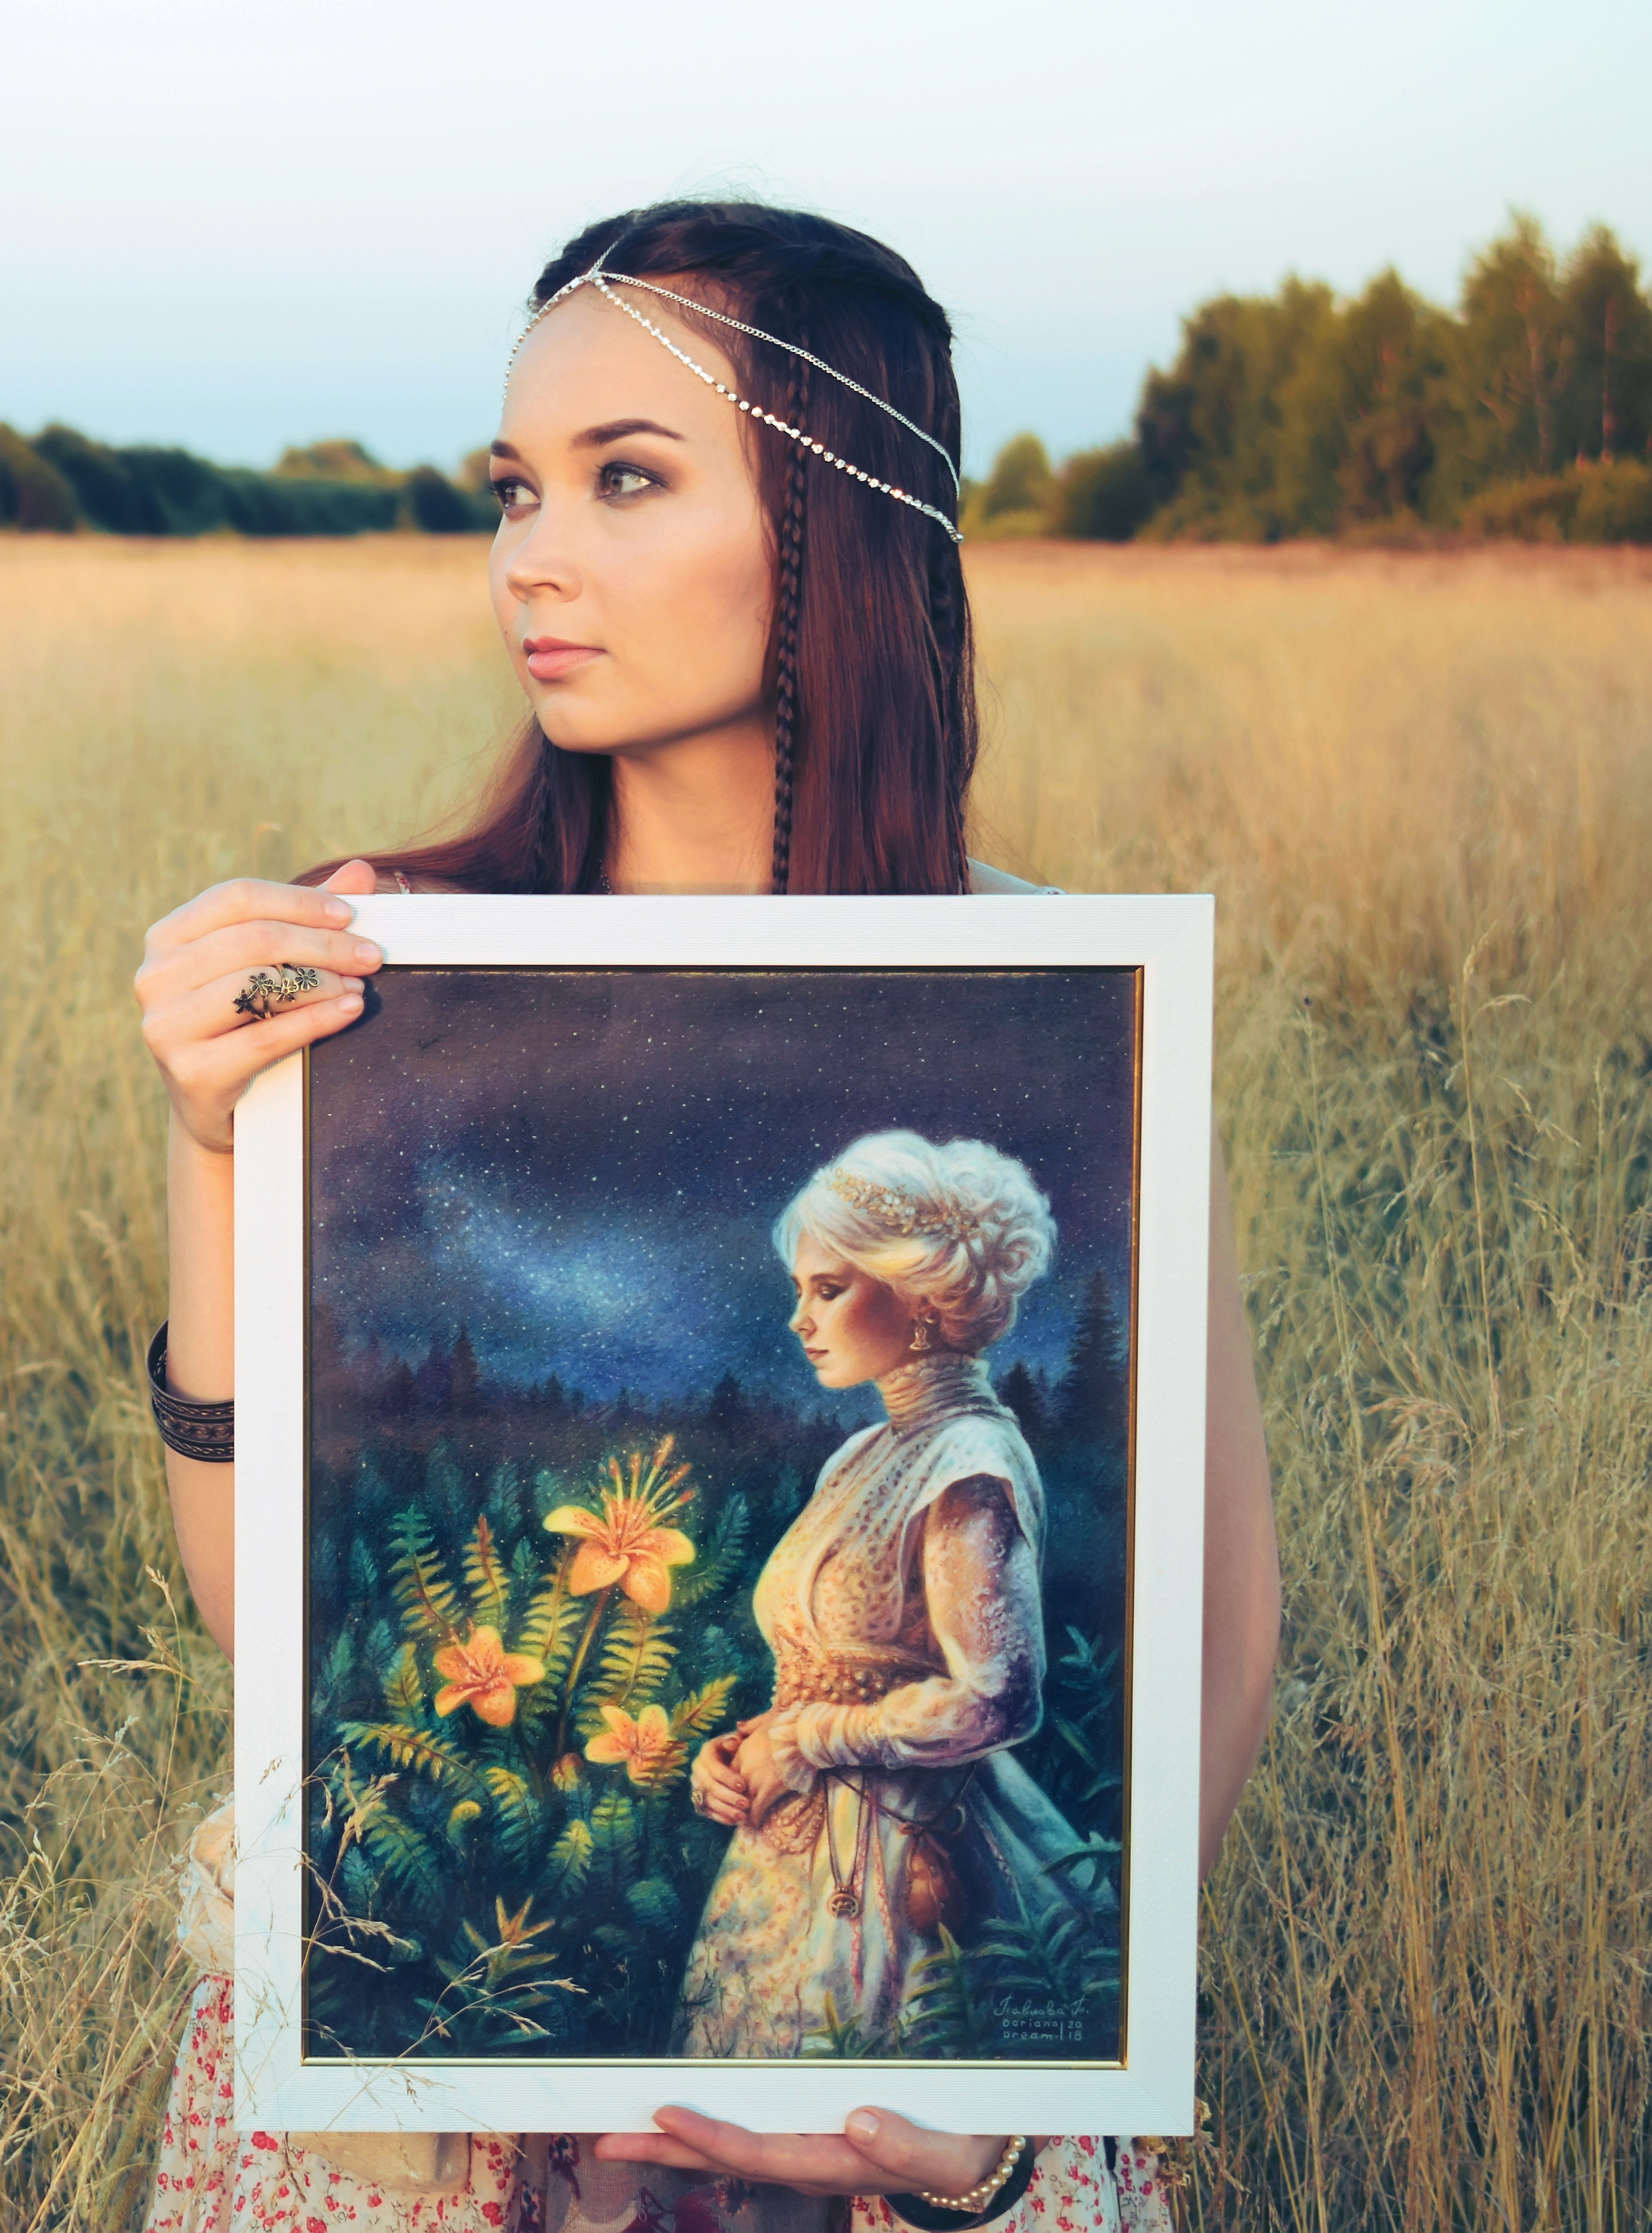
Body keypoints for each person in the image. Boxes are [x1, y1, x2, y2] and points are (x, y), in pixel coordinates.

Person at [128, 201, 1282, 2232]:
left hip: (904, 2080)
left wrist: (1007, 2097)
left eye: (626, 478)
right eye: (511, 489)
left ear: (842, 523)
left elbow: (1216, 1625)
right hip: (433, 2130)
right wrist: (214, 1153)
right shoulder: (379, 967)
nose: (527, 557)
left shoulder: (1062, 995)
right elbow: (260, 1633)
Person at [673, 1132, 1099, 2066]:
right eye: (799, 1290)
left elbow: (998, 1697)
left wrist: (806, 1739)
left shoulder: (969, 1459)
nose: (799, 1319)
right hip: (788, 1853)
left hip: (908, 1856)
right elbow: (838, 1666)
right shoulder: (859, 1455)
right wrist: (740, 1750)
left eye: (828, 1288)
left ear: (917, 1296)